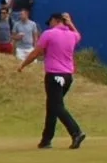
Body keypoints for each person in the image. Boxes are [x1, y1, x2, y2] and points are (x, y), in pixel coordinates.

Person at [17, 11, 86, 148]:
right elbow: (78, 35)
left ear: (55, 20)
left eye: (51, 22)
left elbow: (36, 52)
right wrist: (70, 23)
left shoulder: (49, 34)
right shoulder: (72, 35)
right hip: (68, 76)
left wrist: (23, 65)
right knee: (52, 106)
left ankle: (76, 132)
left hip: (54, 75)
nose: (50, 25)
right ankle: (46, 140)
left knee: (56, 106)